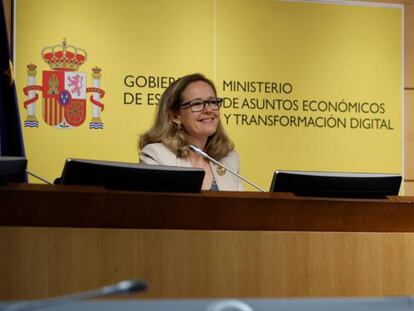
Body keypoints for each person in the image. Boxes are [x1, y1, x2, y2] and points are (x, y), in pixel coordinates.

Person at [139, 73, 243, 191]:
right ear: (175, 116)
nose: (208, 110)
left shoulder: (229, 158)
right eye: (197, 104)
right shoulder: (157, 155)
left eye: (213, 102)